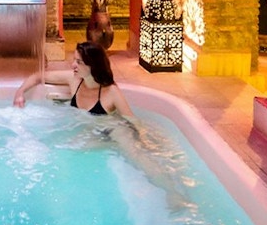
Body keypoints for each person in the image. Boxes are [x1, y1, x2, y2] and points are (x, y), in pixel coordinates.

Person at [13, 41, 192, 210]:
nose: (73, 65)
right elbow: (38, 76)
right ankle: (110, 146)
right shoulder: (74, 80)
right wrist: (20, 92)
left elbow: (130, 119)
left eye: (79, 62)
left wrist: (145, 139)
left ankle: (173, 194)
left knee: (137, 155)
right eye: (74, 60)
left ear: (92, 66)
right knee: (66, 149)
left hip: (113, 128)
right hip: (91, 129)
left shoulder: (111, 92)